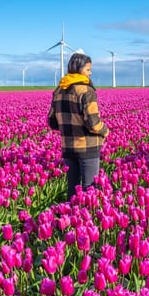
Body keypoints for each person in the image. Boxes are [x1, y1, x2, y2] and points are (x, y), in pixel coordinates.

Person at [49, 52, 109, 200]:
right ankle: (86, 221)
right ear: (79, 69)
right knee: (89, 189)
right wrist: (105, 131)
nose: (90, 73)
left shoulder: (59, 90)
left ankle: (69, 217)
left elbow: (52, 121)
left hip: (68, 147)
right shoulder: (86, 91)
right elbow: (93, 123)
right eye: (88, 70)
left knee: (73, 190)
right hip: (87, 147)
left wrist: (68, 126)